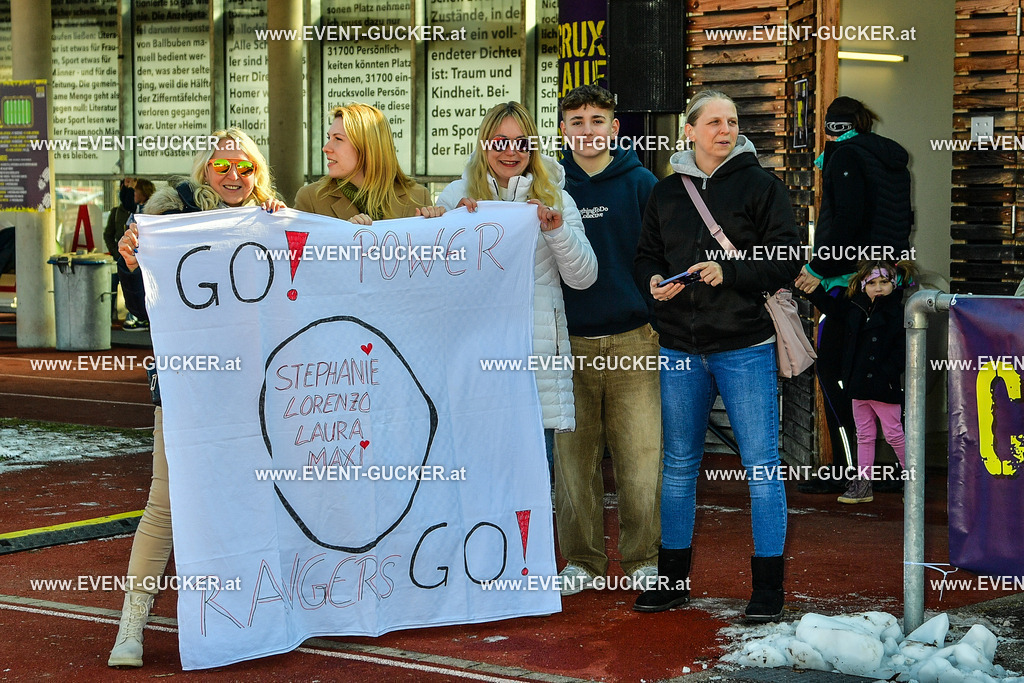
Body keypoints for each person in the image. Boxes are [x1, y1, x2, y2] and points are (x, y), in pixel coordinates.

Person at [108, 128, 285, 668]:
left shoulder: (275, 221)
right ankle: (130, 629)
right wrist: (133, 262)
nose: (234, 176)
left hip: (258, 390)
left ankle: (266, 615)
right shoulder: (170, 221)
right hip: (186, 388)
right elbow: (145, 307)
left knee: (264, 499)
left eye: (245, 167)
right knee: (164, 504)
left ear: (258, 172)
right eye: (222, 166)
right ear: (205, 171)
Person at [633, 90, 801, 622]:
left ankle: (767, 590)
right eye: (714, 122)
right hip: (679, 348)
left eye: (732, 122)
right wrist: (654, 282)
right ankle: (672, 581)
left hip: (745, 346)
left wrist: (729, 271)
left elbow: (787, 257)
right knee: (679, 466)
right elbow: (645, 257)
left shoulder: (761, 185)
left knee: (761, 468)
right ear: (690, 131)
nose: (725, 130)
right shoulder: (664, 193)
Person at [435, 101, 598, 476]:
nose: (511, 151)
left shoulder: (556, 197)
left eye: (521, 142)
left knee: (535, 485)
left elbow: (584, 277)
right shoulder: (455, 196)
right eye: (500, 141)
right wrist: (452, 228)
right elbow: (439, 283)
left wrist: (556, 231)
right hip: (477, 365)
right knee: (480, 480)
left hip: (535, 365)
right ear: (484, 144)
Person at [552, 85, 661, 596]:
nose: (588, 130)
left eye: (598, 120)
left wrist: (657, 318)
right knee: (574, 463)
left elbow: (660, 258)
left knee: (641, 459)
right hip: (567, 342)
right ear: (562, 129)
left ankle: (642, 557)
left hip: (633, 339)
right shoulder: (547, 187)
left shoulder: (641, 183)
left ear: (615, 128)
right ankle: (582, 561)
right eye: (577, 121)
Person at [794, 97, 912, 493]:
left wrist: (816, 268)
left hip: (847, 281)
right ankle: (885, 469)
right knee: (872, 373)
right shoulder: (884, 157)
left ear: (832, 127)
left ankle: (847, 471)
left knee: (835, 375)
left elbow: (846, 219)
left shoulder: (845, 156)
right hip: (881, 278)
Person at [806, 261, 911, 504]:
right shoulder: (856, 307)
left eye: (884, 282)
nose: (878, 288)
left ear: (893, 284)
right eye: (872, 283)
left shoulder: (899, 312)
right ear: (863, 285)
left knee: (895, 434)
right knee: (864, 434)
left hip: (884, 386)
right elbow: (832, 308)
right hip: (859, 386)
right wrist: (810, 288)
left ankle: (912, 480)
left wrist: (887, 371)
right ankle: (863, 486)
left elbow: (901, 351)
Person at [295, 103, 433, 222]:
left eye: (338, 139)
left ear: (367, 147)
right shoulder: (311, 199)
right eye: (329, 137)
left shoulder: (418, 197)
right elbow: (294, 250)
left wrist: (435, 224)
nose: (325, 148)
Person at [104, 178, 155, 330]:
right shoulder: (124, 211)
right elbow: (109, 233)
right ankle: (121, 317)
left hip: (146, 261)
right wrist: (117, 253)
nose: (133, 193)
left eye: (135, 190)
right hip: (124, 258)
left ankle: (143, 318)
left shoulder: (154, 211)